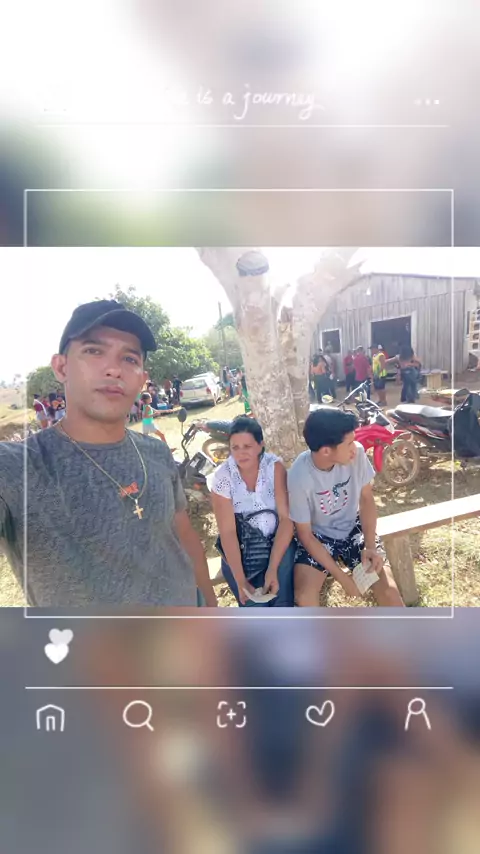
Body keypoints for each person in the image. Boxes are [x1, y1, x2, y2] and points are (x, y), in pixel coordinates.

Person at [0, 299, 217, 607]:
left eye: (129, 358)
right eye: (93, 351)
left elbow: (183, 536)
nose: (114, 369)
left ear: (142, 379)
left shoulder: (156, 452)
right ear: (61, 367)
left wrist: (210, 607)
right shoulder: (19, 468)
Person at [287, 407, 404, 608]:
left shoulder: (356, 454)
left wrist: (370, 546)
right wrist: (343, 578)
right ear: (326, 450)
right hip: (318, 536)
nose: (355, 448)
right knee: (304, 596)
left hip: (353, 527)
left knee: (389, 591)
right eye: (348, 443)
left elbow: (366, 499)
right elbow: (305, 534)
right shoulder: (298, 475)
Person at [208, 416, 295, 607]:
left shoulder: (274, 468)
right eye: (235, 447)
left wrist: (272, 568)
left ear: (260, 445)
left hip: (277, 546)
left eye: (247, 446)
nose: (241, 453)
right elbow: (228, 532)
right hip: (242, 553)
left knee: (282, 604)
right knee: (255, 609)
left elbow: (286, 520)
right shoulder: (223, 477)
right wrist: (240, 580)